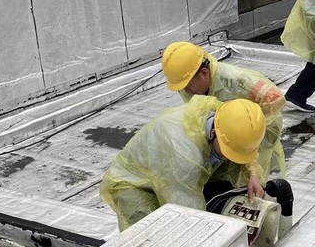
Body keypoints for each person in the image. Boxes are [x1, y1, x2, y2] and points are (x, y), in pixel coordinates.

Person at [100, 97, 266, 231]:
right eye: (228, 152)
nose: (231, 159)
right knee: (153, 236)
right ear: (214, 133)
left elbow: (242, 145)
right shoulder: (183, 154)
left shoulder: (229, 116)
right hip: (133, 184)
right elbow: (188, 215)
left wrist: (252, 174)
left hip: (172, 170)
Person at [161, 42, 286, 185]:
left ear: (204, 73)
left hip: (255, 133)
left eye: (188, 86)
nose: (185, 91)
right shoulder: (189, 85)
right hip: (222, 133)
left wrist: (246, 126)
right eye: (181, 87)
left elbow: (276, 100)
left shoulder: (238, 81)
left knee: (250, 178)